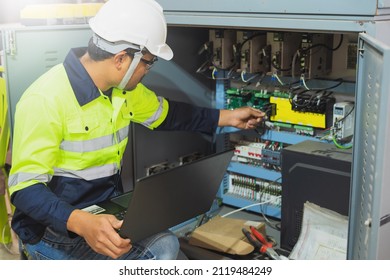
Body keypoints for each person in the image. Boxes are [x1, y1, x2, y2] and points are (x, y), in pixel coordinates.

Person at [8, 0, 265, 260]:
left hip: (102, 213)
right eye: (149, 63)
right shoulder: (45, 99)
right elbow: (24, 189)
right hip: (54, 231)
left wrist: (229, 117)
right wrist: (82, 223)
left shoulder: (121, 91)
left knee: (169, 247)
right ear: (121, 60)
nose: (147, 71)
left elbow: (168, 115)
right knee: (163, 250)